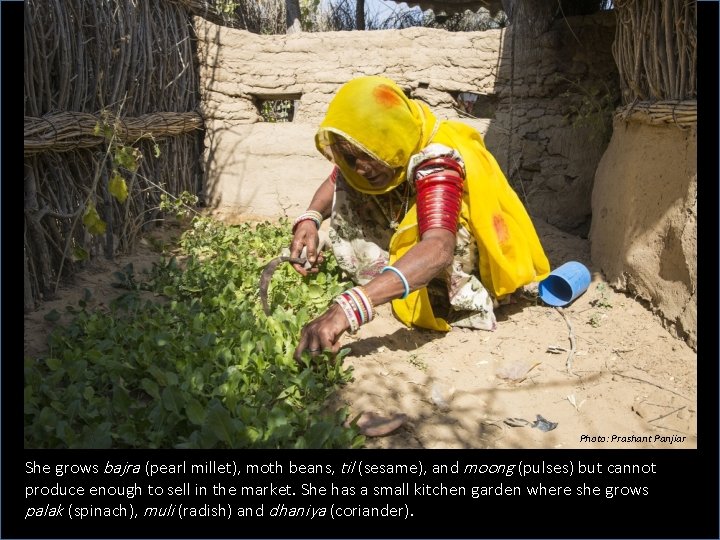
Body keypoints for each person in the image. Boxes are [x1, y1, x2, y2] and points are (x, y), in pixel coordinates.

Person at [289, 76, 550, 360]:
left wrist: (349, 308)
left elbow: (439, 246)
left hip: (453, 252)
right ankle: (395, 276)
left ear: (389, 136)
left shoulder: (437, 158)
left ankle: (437, 293)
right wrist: (310, 219)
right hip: (426, 242)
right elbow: (337, 179)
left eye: (368, 155)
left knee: (444, 242)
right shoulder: (368, 157)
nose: (361, 168)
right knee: (354, 185)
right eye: (352, 159)